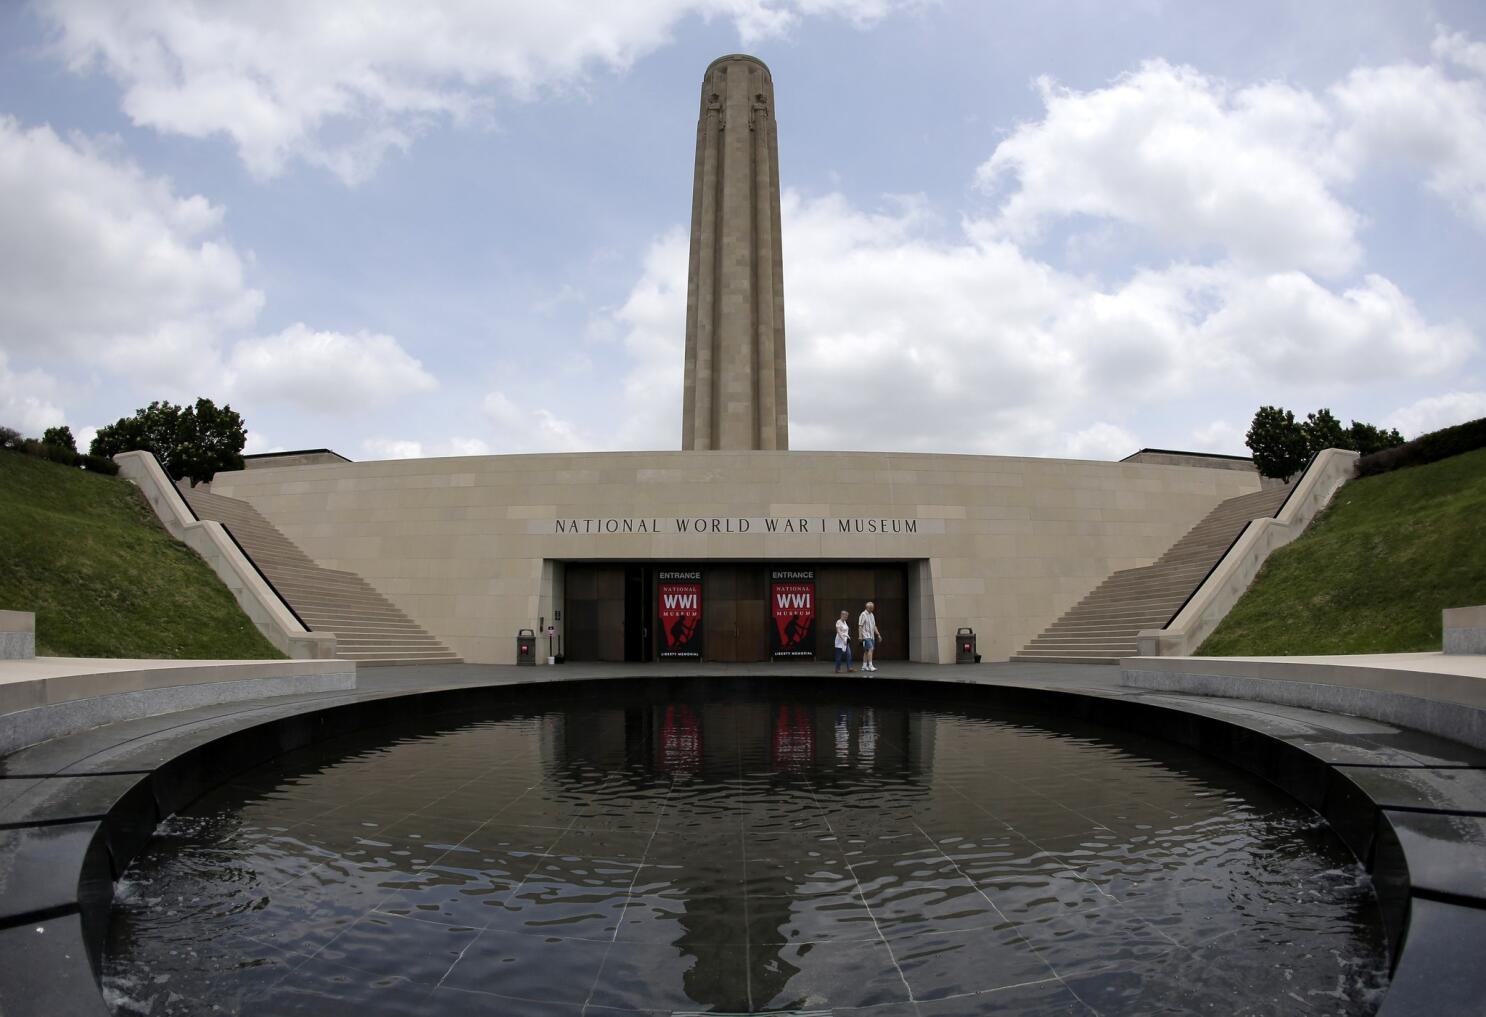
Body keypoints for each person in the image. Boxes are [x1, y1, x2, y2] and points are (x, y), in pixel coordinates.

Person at [858, 601, 882, 671]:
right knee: (871, 649)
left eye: (873, 607)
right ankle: (870, 666)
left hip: (872, 636)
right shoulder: (863, 614)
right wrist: (860, 636)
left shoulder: (872, 615)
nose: (872, 609)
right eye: (871, 607)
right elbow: (860, 626)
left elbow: (874, 626)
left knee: (866, 651)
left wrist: (878, 634)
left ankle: (864, 666)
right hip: (866, 636)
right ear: (867, 607)